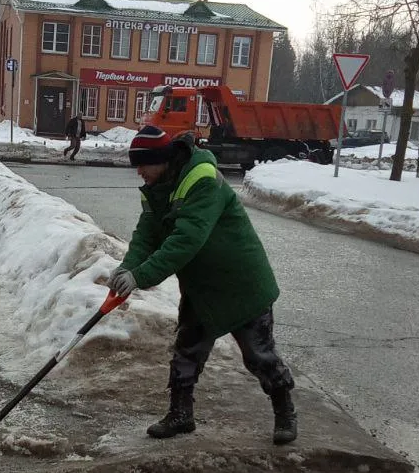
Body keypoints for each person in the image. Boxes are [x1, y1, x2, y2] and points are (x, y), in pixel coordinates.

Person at [109, 125, 297, 444]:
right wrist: (127, 267)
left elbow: (186, 240)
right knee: (187, 349)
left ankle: (285, 413)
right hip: (202, 287)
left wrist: (140, 277)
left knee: (259, 354)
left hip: (241, 283)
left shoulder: (202, 177)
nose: (138, 171)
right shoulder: (158, 186)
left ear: (162, 159)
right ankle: (181, 415)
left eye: (142, 164)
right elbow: (147, 235)